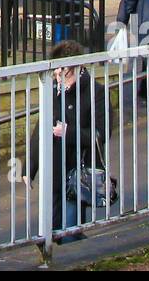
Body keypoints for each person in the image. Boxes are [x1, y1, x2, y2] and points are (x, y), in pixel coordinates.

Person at [26, 40, 106, 234]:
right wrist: (30, 167)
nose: (59, 78)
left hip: (78, 173)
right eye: (56, 73)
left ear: (77, 68)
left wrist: (68, 132)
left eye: (64, 73)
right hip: (53, 170)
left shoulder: (96, 92)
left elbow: (101, 134)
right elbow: (41, 128)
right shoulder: (53, 90)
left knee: (70, 227)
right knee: (49, 230)